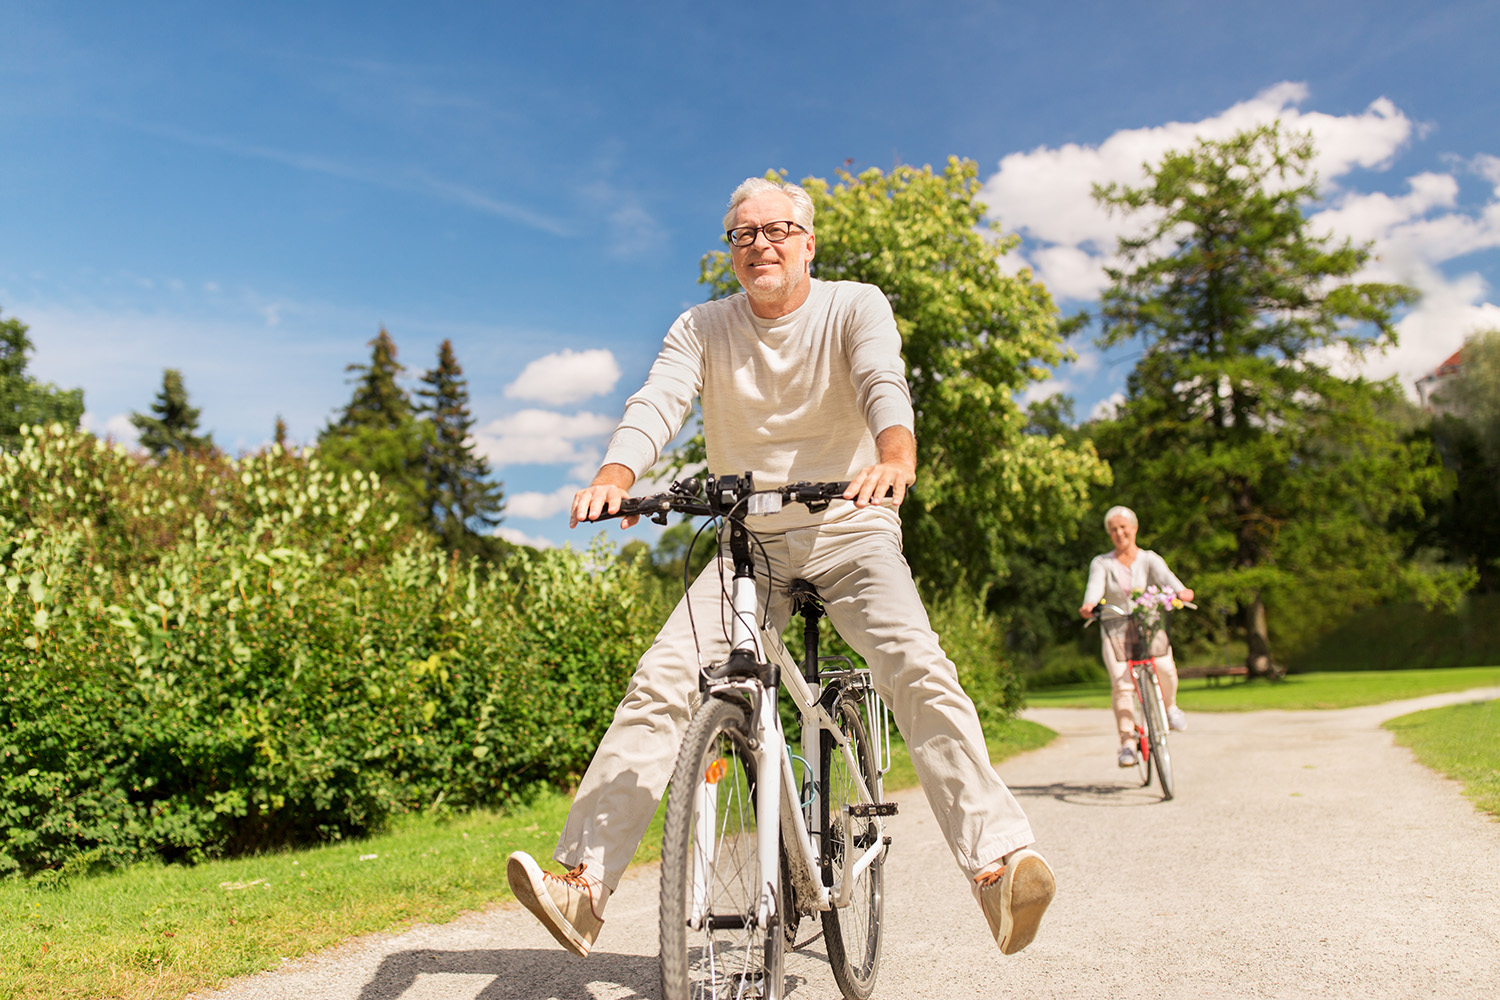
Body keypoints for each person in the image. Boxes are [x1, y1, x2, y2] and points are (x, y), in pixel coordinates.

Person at [506, 176, 1055, 960]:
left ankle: (998, 868)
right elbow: (656, 402)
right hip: (748, 542)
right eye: (742, 235)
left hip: (851, 527)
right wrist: (616, 477)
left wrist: (895, 457)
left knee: (916, 665)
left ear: (808, 241)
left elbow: (881, 381)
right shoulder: (702, 326)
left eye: (777, 230)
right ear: (730, 251)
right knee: (664, 680)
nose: (760, 244)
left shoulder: (853, 304)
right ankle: (584, 889)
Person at [1077, 505, 1194, 767]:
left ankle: (1170, 707)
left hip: (1148, 624)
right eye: (1113, 530)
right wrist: (1089, 604)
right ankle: (1128, 743)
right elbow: (1094, 588)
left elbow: (1170, 580)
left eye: (1123, 527)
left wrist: (1182, 591)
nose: (1119, 533)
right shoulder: (1102, 563)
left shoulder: (1149, 558)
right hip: (1115, 627)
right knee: (1122, 684)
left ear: (1134, 528)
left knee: (1165, 667)